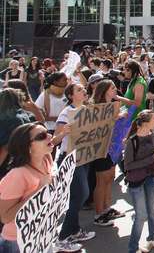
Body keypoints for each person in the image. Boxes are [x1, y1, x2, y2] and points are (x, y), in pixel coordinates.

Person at [0, 123, 64, 253]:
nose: (50, 136)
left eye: (47, 133)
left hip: (42, 234)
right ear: (28, 146)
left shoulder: (47, 159)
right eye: (42, 136)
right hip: (18, 242)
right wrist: (38, 190)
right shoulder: (17, 175)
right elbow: (5, 217)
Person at [55, 83, 97, 249]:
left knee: (79, 195)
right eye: (79, 90)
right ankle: (63, 236)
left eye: (83, 89)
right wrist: (64, 132)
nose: (84, 91)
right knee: (81, 195)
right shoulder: (66, 113)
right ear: (71, 96)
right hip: (70, 158)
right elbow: (55, 140)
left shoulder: (87, 110)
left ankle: (74, 230)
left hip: (84, 157)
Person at [124, 109, 154, 253]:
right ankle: (133, 248)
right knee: (141, 215)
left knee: (153, 210)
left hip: (152, 178)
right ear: (146, 123)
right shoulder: (132, 141)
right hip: (136, 181)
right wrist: (152, 158)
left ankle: (151, 239)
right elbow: (128, 166)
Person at [91, 80, 126, 227]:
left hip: (113, 148)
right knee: (101, 180)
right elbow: (95, 127)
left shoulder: (114, 105)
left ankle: (106, 207)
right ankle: (99, 214)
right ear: (105, 90)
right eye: (112, 88)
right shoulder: (94, 107)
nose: (115, 89)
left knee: (110, 177)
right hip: (100, 148)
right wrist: (115, 118)